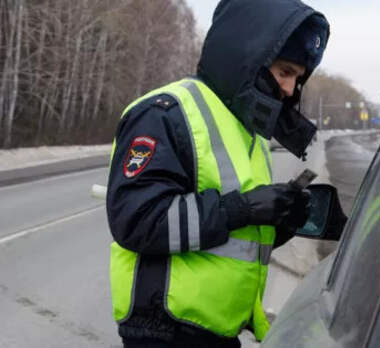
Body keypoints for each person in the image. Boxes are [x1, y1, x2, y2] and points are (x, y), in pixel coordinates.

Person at [105, 0, 333, 347]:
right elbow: (137, 220)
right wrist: (243, 208)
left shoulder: (247, 131)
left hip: (217, 331)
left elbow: (233, 242)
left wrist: (279, 220)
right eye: (285, 72)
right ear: (248, 58)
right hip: (166, 332)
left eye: (297, 78)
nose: (289, 89)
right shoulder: (165, 112)